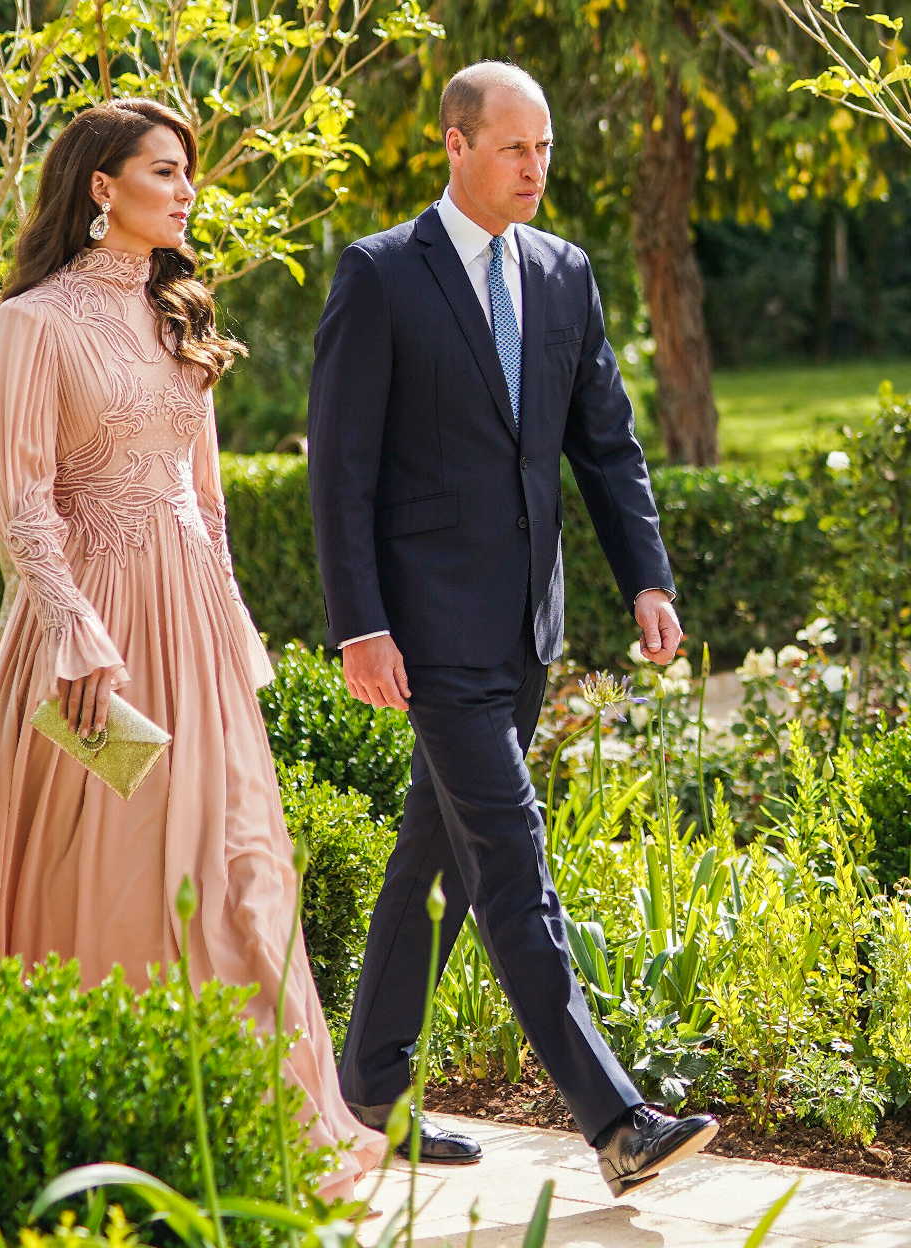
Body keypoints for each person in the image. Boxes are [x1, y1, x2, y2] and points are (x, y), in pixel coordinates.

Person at [0, 98, 383, 1200]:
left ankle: (253, 1117)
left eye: (187, 174)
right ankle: (110, 1119)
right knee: (121, 871)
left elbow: (209, 497)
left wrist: (232, 629)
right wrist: (75, 630)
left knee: (241, 869)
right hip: (98, 633)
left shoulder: (184, 307)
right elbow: (20, 497)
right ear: (101, 187)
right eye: (165, 171)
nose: (187, 190)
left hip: (194, 629)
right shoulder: (34, 323)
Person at [307, 61, 717, 1197]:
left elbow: (606, 444)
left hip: (525, 624)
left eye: (544, 149)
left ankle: (371, 1090)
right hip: (425, 634)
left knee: (432, 857)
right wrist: (360, 627)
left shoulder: (565, 272)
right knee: (509, 860)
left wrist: (647, 578)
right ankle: (617, 1119)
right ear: (454, 145)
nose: (535, 168)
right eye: (513, 148)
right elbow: (340, 473)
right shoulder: (382, 275)